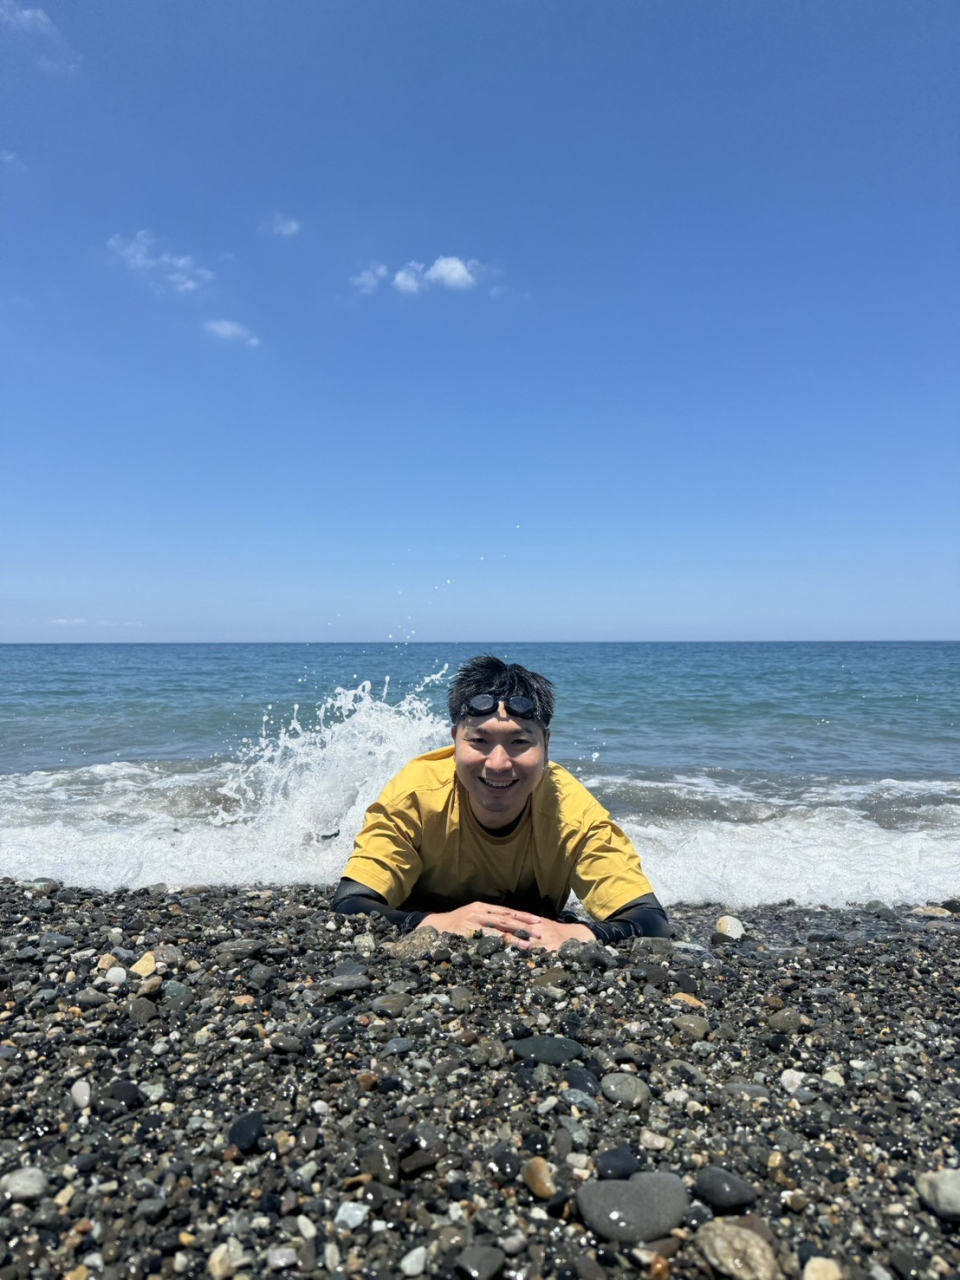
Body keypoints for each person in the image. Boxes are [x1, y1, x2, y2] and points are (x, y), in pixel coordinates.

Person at [331, 655, 669, 950]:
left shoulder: (572, 813)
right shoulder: (415, 797)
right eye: (479, 740)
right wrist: (435, 922)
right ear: (455, 740)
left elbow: (650, 919)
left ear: (546, 746)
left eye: (519, 742)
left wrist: (577, 934)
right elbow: (351, 902)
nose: (498, 764)